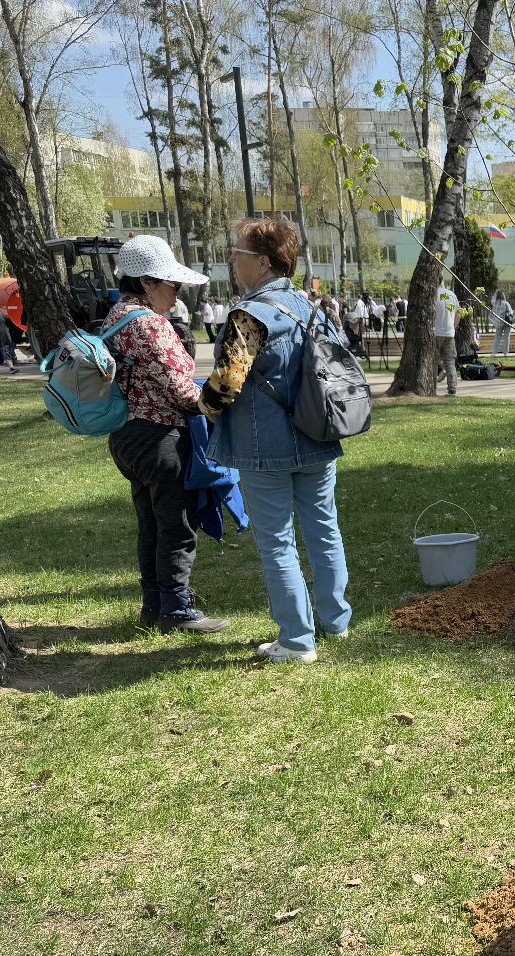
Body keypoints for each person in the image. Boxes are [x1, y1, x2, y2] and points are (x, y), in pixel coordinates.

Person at [200, 217, 353, 664]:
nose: (233, 259)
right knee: (324, 529)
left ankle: (296, 640)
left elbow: (223, 388)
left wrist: (199, 402)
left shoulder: (249, 315)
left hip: (263, 447)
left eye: (239, 253)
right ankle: (336, 622)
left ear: (263, 262)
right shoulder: (314, 308)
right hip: (318, 436)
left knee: (277, 541)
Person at [103, 234, 227, 633]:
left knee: (151, 523)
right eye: (172, 285)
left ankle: (154, 603)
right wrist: (224, 398)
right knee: (175, 523)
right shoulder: (149, 325)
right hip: (160, 437)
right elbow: (183, 392)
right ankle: (175, 606)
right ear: (146, 283)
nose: (177, 294)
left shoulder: (116, 317)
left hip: (127, 437)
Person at [434, 284, 459, 396]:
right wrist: (453, 327)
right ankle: (452, 387)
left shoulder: (433, 294)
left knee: (432, 360)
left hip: (436, 331)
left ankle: (432, 385)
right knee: (450, 361)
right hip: (449, 332)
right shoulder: (452, 295)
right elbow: (459, 313)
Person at [490, 290, 514, 356]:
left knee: (497, 337)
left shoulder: (495, 304)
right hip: (507, 323)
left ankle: (494, 353)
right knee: (506, 337)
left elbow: (492, 314)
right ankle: (505, 353)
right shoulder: (506, 303)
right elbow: (511, 312)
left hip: (498, 323)